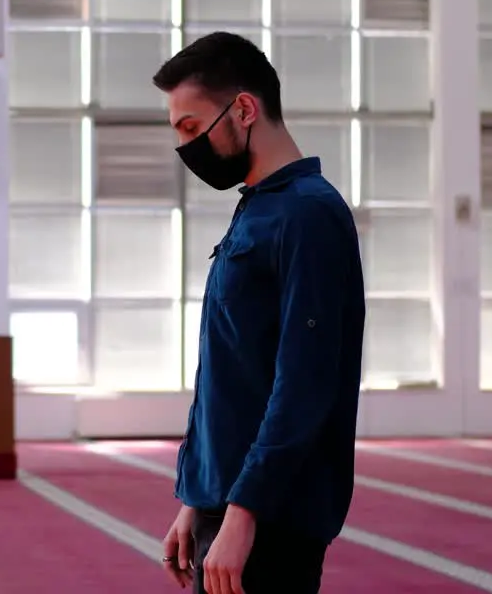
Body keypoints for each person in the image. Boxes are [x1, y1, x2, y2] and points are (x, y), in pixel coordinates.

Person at [153, 32, 366, 594]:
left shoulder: (307, 217)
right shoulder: (258, 210)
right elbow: (228, 369)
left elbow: (304, 384)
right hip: (224, 508)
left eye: (192, 128)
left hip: (269, 517)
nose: (186, 148)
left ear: (244, 109)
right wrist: (195, 499)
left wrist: (245, 511)